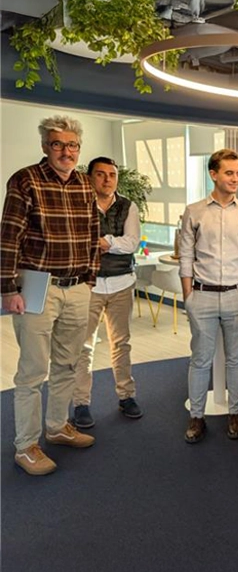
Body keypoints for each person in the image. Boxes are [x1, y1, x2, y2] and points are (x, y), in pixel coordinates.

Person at [0, 115, 99, 476]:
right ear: (45, 146)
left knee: (68, 364)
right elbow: (9, 237)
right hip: (37, 287)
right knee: (32, 371)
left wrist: (90, 275)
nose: (66, 151)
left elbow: (93, 232)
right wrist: (8, 289)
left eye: (72, 145)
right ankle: (26, 446)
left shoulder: (85, 185)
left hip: (77, 288)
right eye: (58, 144)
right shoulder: (25, 180)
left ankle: (57, 427)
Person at [179, 149, 238, 444]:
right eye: (229, 173)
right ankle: (197, 417)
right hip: (201, 295)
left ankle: (235, 413)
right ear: (213, 174)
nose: (235, 179)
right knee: (200, 359)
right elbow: (186, 255)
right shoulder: (195, 211)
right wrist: (187, 294)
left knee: (237, 360)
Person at [72, 157, 143, 428]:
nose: (107, 179)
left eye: (112, 174)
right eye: (100, 174)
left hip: (122, 283)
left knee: (121, 344)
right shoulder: (79, 203)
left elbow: (132, 242)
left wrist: (106, 242)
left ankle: (126, 396)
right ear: (90, 177)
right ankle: (81, 403)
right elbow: (78, 241)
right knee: (83, 346)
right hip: (88, 285)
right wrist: (112, 243)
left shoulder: (128, 206)